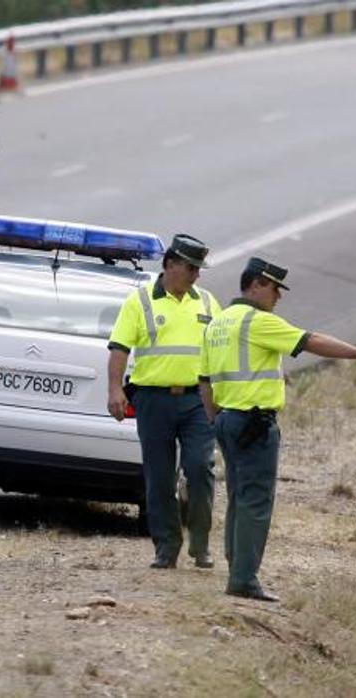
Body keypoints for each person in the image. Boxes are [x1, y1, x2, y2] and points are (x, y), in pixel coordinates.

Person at [200, 257, 356, 602]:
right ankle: (243, 578)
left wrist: (214, 418)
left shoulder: (219, 322)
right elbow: (311, 340)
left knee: (237, 498)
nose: (279, 297)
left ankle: (237, 567)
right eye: (276, 289)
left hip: (227, 419)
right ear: (258, 284)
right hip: (253, 423)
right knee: (255, 501)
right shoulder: (256, 322)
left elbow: (203, 380)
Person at [107, 235, 224, 569]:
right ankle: (166, 546)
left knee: (200, 469)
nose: (196, 276)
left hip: (197, 401)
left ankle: (200, 543)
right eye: (191, 268)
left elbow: (223, 346)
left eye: (199, 270)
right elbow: (119, 348)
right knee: (158, 477)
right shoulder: (139, 301)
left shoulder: (206, 302)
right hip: (153, 401)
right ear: (170, 264)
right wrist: (115, 390)